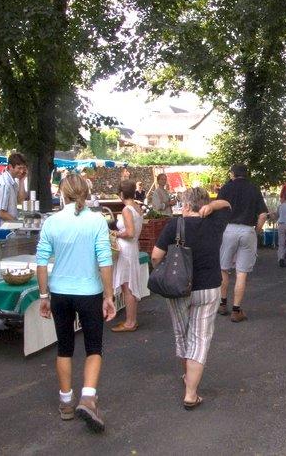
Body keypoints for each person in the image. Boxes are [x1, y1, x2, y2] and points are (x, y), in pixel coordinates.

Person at [36, 174, 116, 432]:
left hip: (60, 292)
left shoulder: (52, 222)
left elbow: (41, 262)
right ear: (86, 192)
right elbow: (105, 260)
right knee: (94, 347)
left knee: (64, 347)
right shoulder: (96, 221)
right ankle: (88, 397)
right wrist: (109, 295)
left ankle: (66, 401)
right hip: (89, 292)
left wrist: (44, 296)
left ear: (63, 193)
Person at [151, 189, 231, 410]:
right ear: (204, 205)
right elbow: (226, 205)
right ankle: (191, 393)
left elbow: (156, 256)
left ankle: (188, 377)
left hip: (178, 290)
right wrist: (212, 207)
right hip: (209, 289)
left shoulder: (175, 226)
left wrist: (164, 272)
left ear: (186, 206)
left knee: (183, 335)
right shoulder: (216, 223)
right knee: (200, 339)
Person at [217, 164, 268, 322]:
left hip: (228, 230)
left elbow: (218, 209)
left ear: (232, 174)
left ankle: (222, 304)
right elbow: (263, 215)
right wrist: (257, 230)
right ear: (246, 174)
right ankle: (236, 311)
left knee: (224, 269)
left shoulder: (225, 188)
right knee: (241, 273)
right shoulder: (254, 189)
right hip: (247, 230)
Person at [110, 181, 146, 333]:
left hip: (126, 249)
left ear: (121, 194)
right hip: (132, 248)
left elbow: (130, 232)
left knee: (127, 286)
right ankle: (131, 320)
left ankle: (130, 322)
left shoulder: (126, 210)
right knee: (130, 284)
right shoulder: (138, 207)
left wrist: (115, 233)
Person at [0, 153, 28, 230]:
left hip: (5, 229)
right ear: (10, 167)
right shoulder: (4, 184)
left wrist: (22, 181)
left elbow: (20, 200)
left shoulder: (12, 182)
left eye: (23, 168)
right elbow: (1, 213)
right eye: (19, 168)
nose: (22, 171)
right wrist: (20, 225)